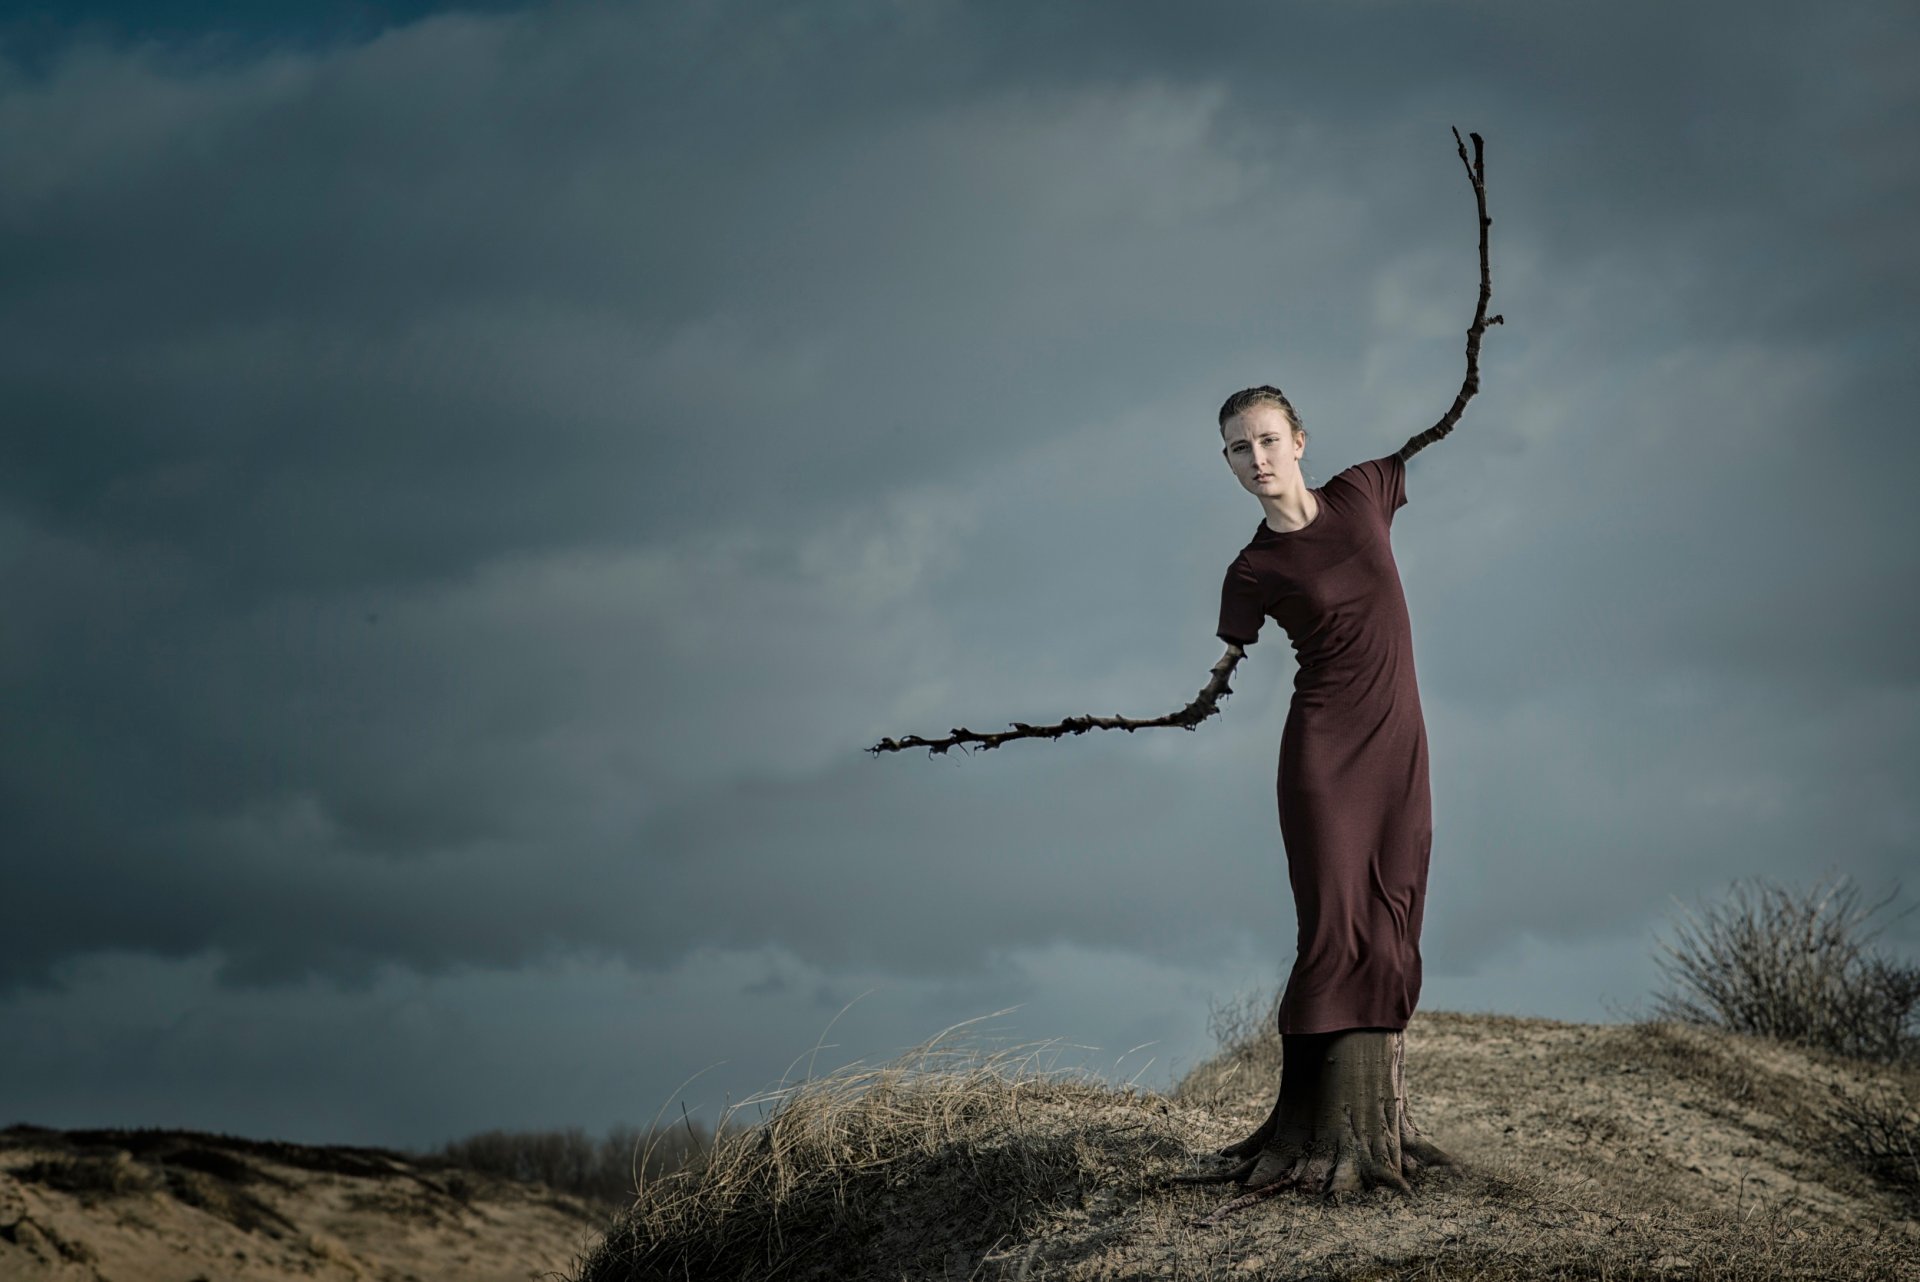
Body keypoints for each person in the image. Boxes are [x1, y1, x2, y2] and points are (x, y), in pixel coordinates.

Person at [1197, 383, 1449, 1202]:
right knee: (1336, 914)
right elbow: (1226, 664)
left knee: (1396, 898)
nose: (1257, 459)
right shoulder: (1253, 568)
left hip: (1398, 738)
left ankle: (1382, 1122)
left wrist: (1474, 359)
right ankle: (1317, 1128)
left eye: (1268, 440)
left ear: (1299, 440)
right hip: (1322, 752)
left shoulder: (1364, 492)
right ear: (1230, 463)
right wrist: (1196, 701)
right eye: (1240, 448)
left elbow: (1435, 429)